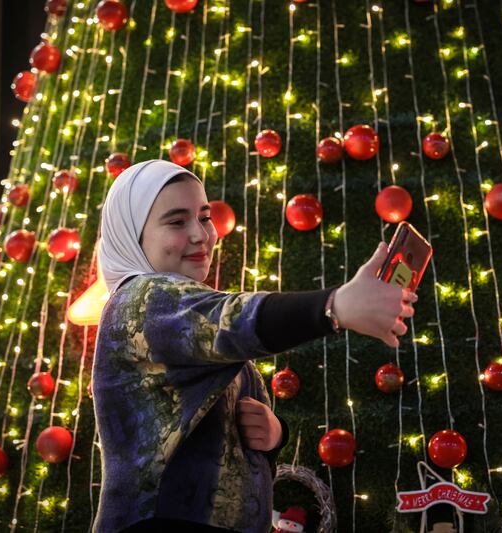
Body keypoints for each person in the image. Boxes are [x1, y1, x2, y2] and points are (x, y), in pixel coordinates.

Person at [92, 160, 417, 532]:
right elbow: (233, 320)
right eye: (177, 221)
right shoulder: (141, 297)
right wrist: (336, 306)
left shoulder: (184, 308)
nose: (200, 235)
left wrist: (274, 434)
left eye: (204, 217)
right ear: (132, 235)